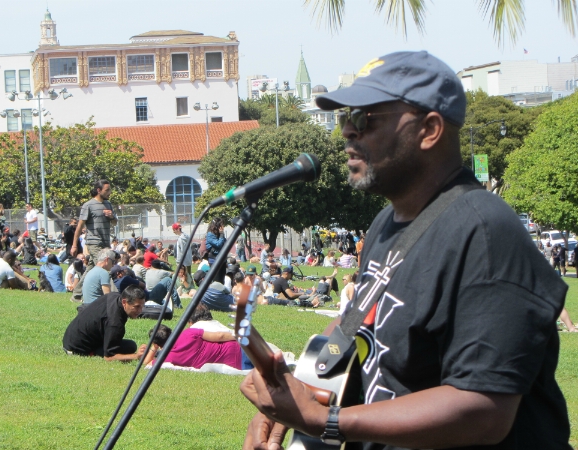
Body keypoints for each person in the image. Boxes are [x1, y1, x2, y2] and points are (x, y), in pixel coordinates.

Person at [240, 51, 571, 450]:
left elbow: (484, 409)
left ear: (429, 130)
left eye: (364, 119)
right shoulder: (386, 223)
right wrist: (298, 390)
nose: (347, 131)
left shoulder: (483, 232)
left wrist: (328, 421)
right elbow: (353, 326)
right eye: (346, 118)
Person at [144, 303, 253, 370]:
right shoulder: (189, 333)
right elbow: (219, 336)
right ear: (171, 332)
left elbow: (147, 364)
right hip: (236, 348)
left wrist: (154, 347)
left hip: (234, 363)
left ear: (158, 344)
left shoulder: (169, 358)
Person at [62, 285, 148, 361]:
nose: (140, 311)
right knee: (130, 347)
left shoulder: (113, 296)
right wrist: (136, 356)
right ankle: (94, 352)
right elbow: (109, 357)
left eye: (142, 306)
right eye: (136, 307)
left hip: (69, 341)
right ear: (124, 302)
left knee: (129, 345)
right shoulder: (114, 322)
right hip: (77, 349)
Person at [70, 180, 117, 302]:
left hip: (105, 242)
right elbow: (80, 226)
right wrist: (74, 245)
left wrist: (112, 216)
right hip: (94, 242)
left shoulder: (108, 204)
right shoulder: (88, 205)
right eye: (107, 190)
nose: (109, 193)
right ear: (99, 190)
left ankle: (76, 294)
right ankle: (115, 297)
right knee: (104, 267)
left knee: (91, 268)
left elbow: (115, 222)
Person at [205, 217, 226, 282]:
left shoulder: (219, 234)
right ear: (217, 226)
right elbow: (218, 244)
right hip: (214, 260)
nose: (223, 226)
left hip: (222, 259)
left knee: (222, 281)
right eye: (221, 225)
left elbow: (225, 243)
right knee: (217, 281)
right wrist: (222, 234)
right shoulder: (210, 234)